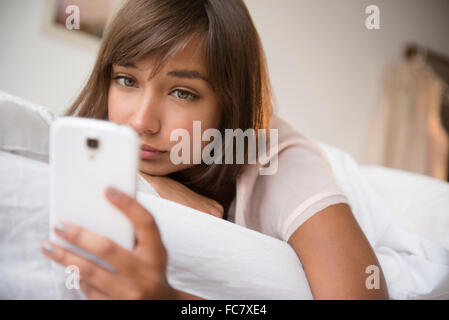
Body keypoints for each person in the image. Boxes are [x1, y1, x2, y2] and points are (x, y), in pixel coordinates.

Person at [41, 0, 389, 299]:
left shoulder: (279, 162)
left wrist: (171, 298)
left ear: (229, 106)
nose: (142, 122)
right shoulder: (95, 134)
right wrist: (154, 186)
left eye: (182, 92)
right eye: (127, 80)